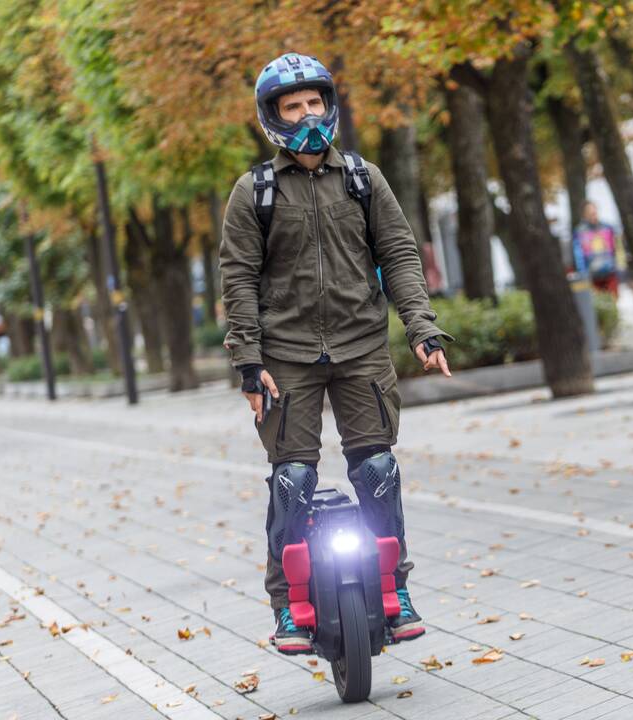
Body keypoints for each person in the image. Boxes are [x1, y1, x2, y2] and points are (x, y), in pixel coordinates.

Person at [219, 52, 454, 655]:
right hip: (286, 357)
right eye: (292, 107)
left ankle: (394, 592)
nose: (306, 115)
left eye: (314, 103)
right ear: (272, 116)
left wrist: (421, 329)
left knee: (377, 472)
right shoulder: (255, 191)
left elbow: (399, 254)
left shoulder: (363, 178)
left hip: (361, 349)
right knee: (292, 480)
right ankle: (289, 606)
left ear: (329, 105)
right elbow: (238, 276)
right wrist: (248, 359)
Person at [572, 201, 621, 298]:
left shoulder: (607, 228)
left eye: (595, 213)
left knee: (614, 301)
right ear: (584, 215)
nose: (594, 216)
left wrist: (617, 265)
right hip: (592, 277)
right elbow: (578, 255)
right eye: (590, 214)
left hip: (610, 273)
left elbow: (616, 249)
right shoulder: (579, 232)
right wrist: (583, 273)